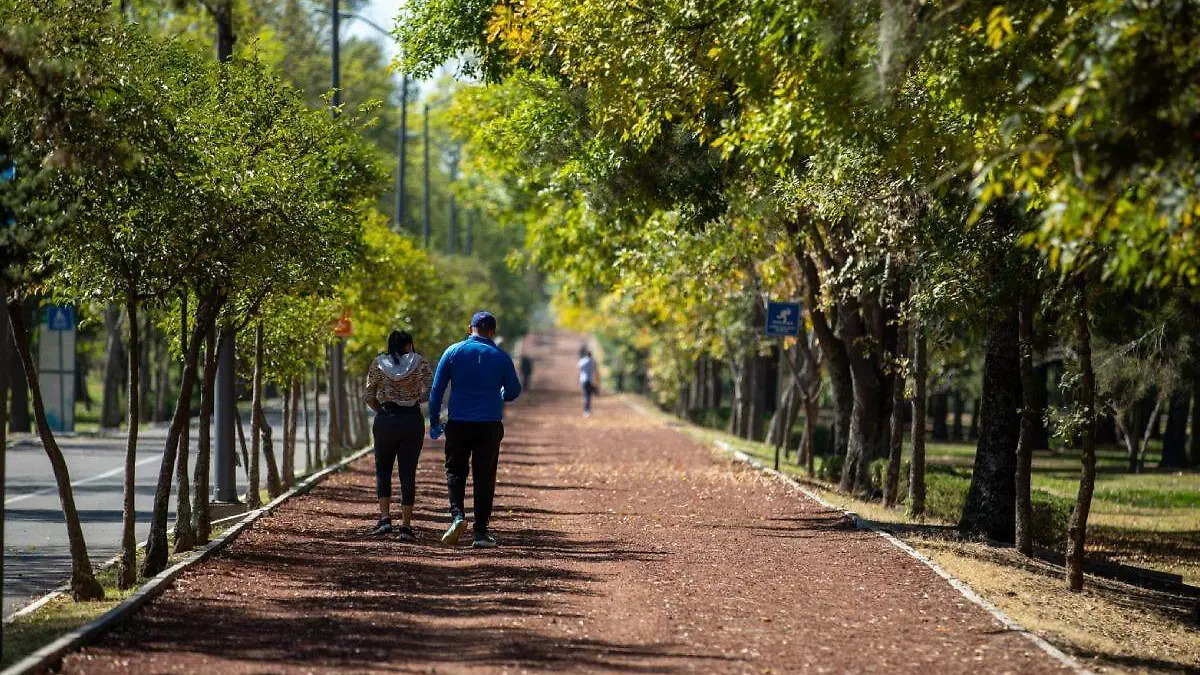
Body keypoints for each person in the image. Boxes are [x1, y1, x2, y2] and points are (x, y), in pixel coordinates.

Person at [428, 311, 522, 548]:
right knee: (484, 476)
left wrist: (434, 421)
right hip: (489, 425)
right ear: (492, 332)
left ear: (470, 328)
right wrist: (501, 393)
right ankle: (480, 533)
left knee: (455, 471)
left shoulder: (453, 352)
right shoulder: (501, 356)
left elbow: (437, 390)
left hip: (458, 423)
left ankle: (457, 516)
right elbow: (513, 391)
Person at [363, 330, 433, 541]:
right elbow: (432, 387)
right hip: (411, 420)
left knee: (383, 470)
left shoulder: (378, 363)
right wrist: (416, 399)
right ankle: (406, 526)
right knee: (408, 472)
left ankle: (385, 519)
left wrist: (381, 410)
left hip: (386, 419)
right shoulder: (419, 362)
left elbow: (368, 395)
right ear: (409, 344)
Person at [578, 348, 599, 417]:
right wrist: (597, 381)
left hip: (583, 380)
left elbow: (579, 368)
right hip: (590, 380)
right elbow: (596, 371)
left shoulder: (582, 361)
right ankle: (587, 410)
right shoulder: (593, 361)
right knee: (588, 396)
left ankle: (586, 411)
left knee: (586, 395)